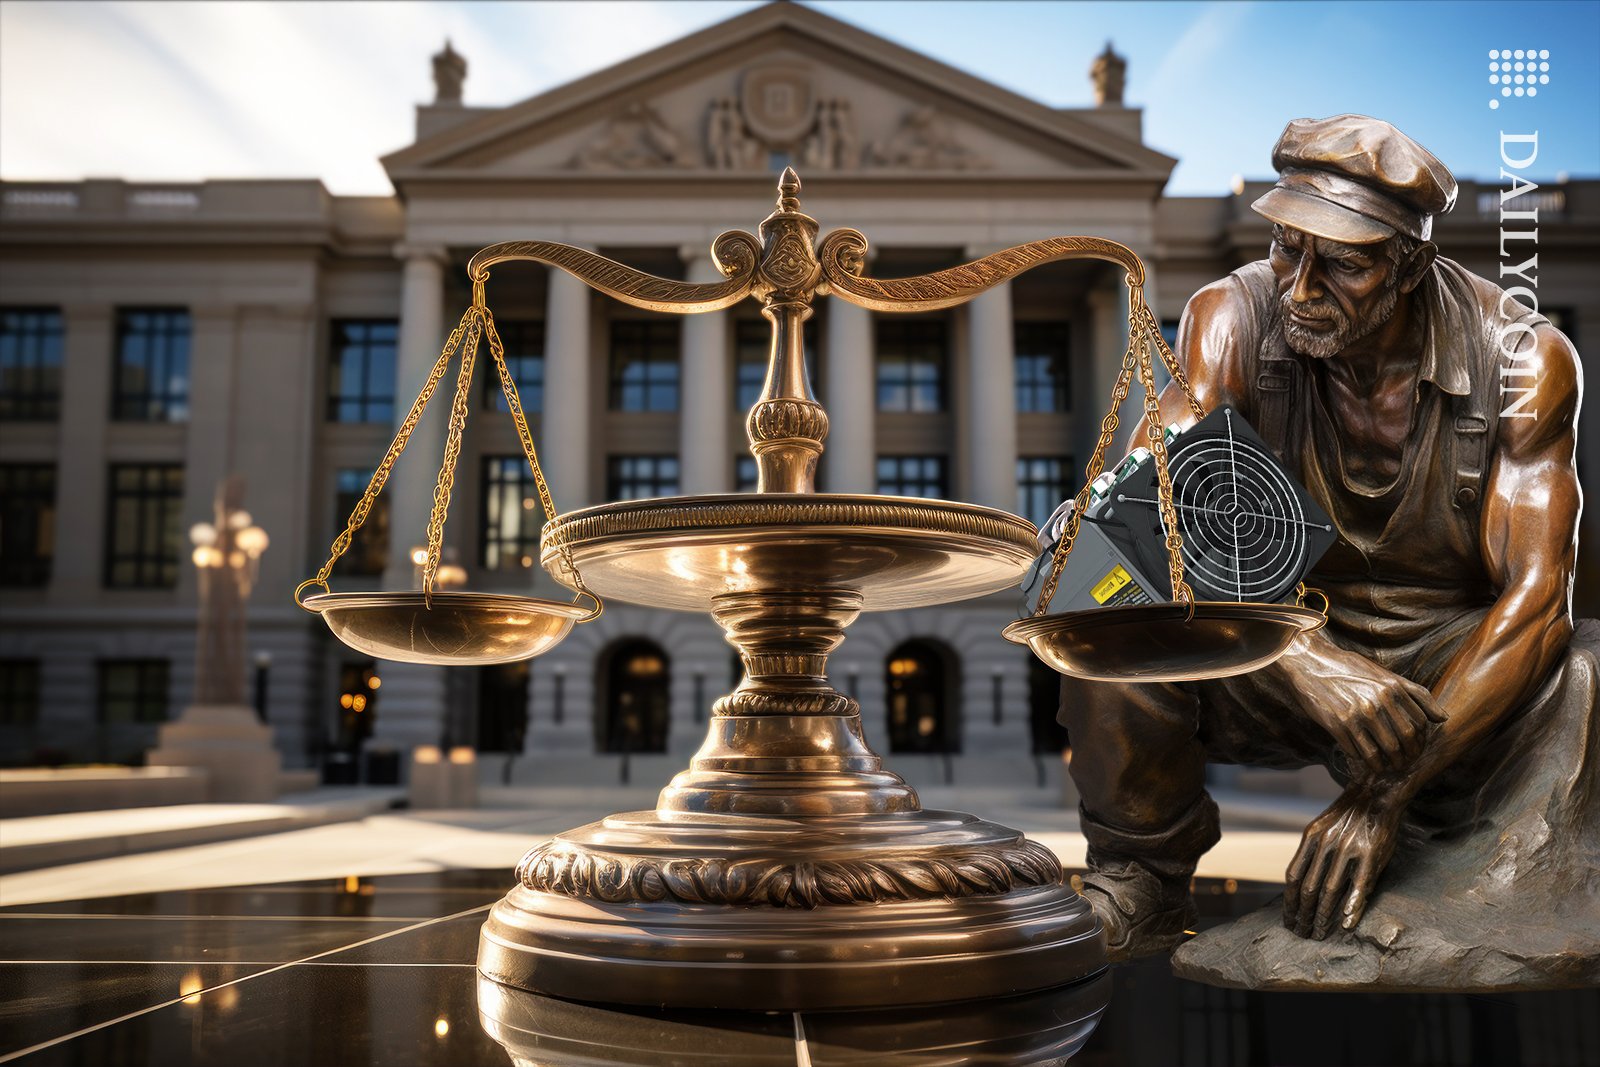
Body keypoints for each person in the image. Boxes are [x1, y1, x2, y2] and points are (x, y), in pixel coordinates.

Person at [1059, 115, 1595, 965]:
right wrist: (1303, 656)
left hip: (1444, 660)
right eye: (1286, 247)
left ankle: (1455, 871)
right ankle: (1143, 879)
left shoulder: (1523, 359)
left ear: (1410, 263)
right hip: (1267, 642)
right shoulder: (1232, 316)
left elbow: (1536, 601)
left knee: (1583, 669)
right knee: (1108, 606)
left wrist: (1380, 796)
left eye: (1342, 261)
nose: (1299, 286)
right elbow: (1138, 524)